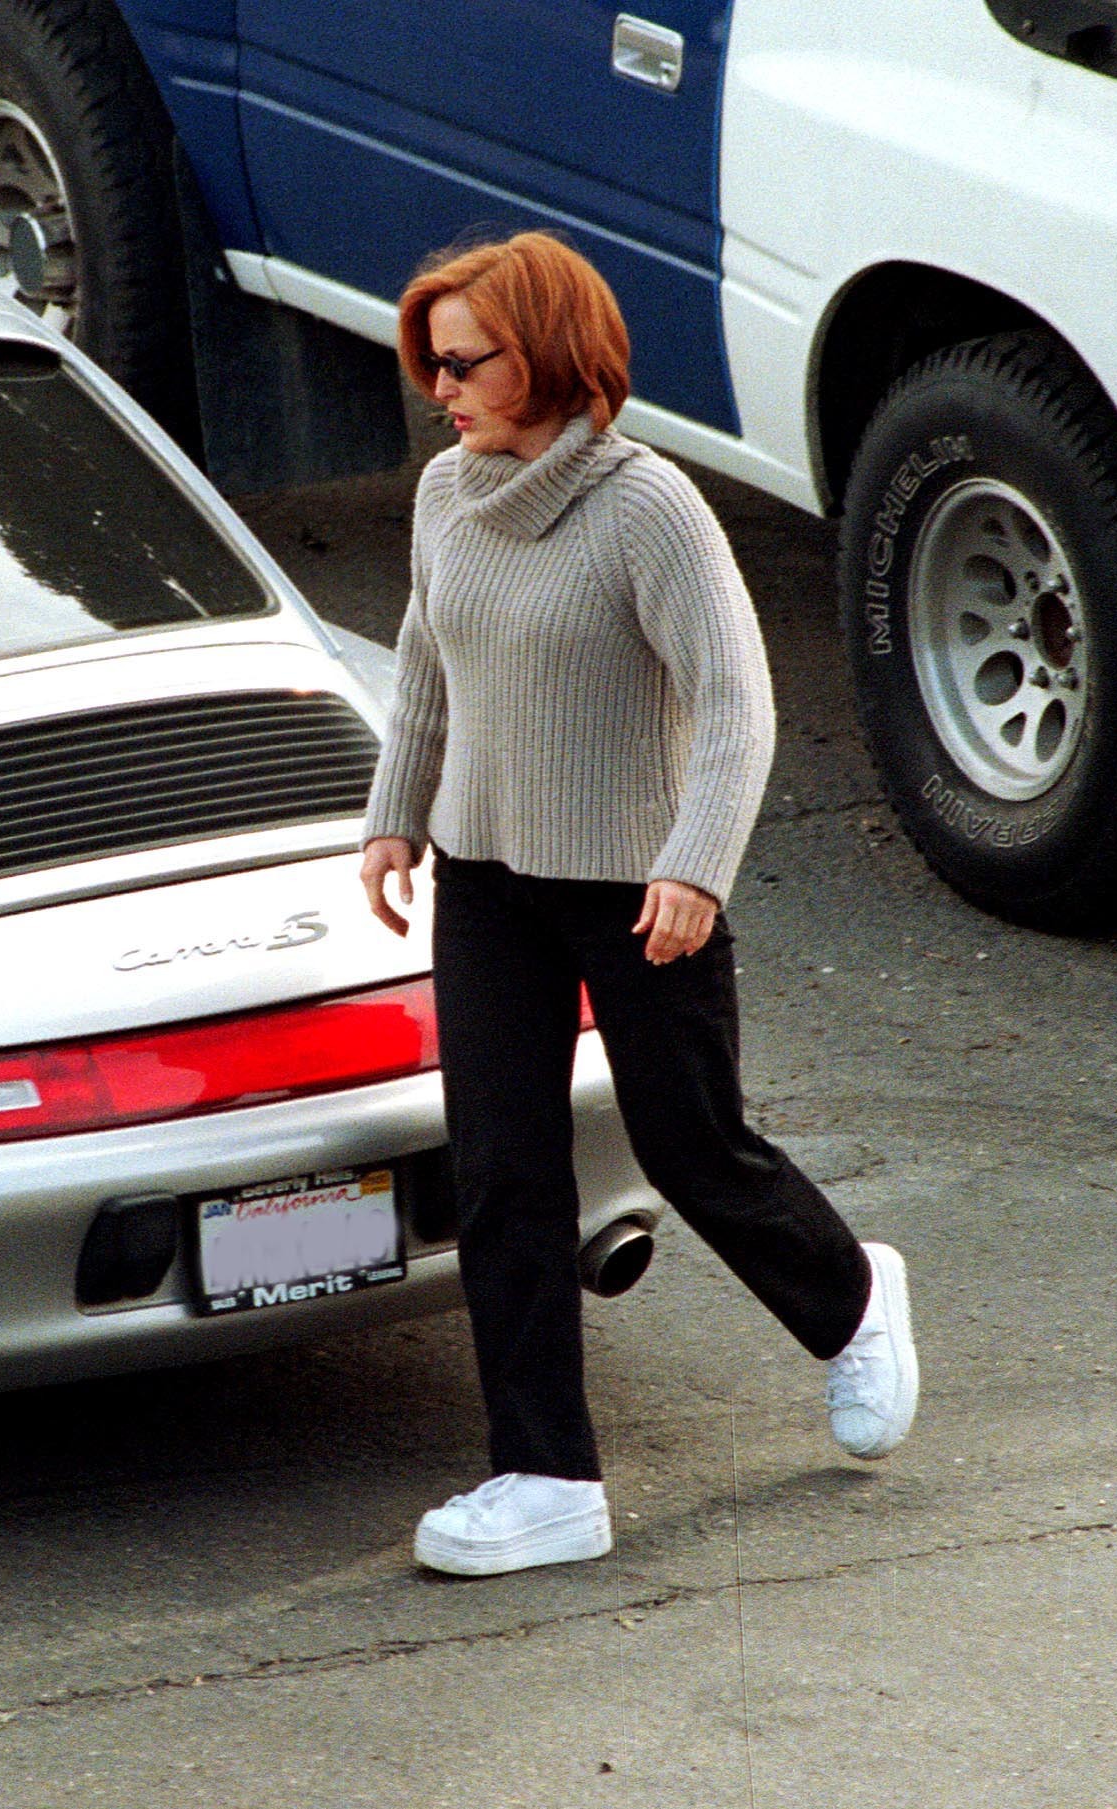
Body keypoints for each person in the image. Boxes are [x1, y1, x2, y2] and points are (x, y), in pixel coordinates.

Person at [361, 231, 918, 1578]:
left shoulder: (645, 507)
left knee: (689, 1144)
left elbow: (735, 702)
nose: (442, 386)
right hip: (485, 877)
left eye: (467, 361)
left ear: (551, 354)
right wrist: (393, 813)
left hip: (638, 885)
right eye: (432, 361)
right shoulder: (446, 493)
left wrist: (694, 864)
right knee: (502, 1168)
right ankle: (545, 1475)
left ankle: (852, 1298)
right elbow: (428, 661)